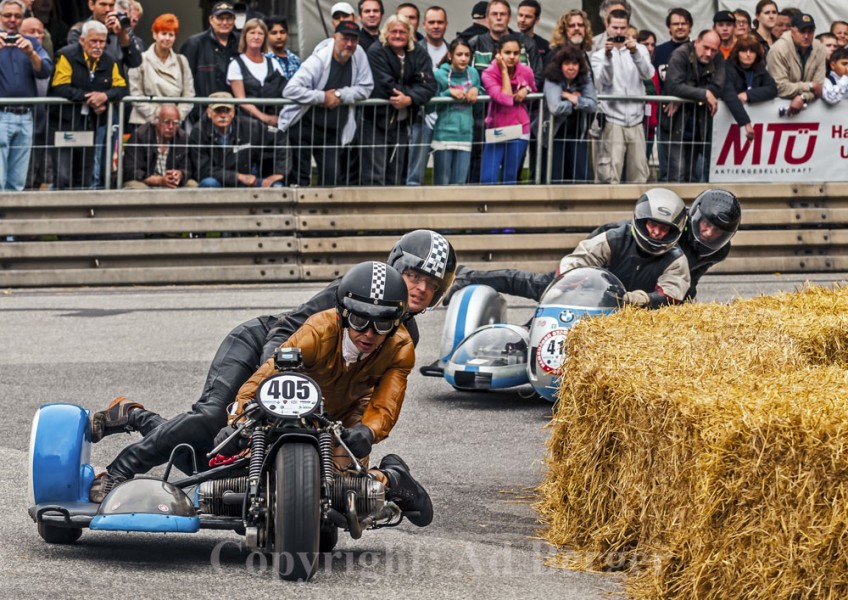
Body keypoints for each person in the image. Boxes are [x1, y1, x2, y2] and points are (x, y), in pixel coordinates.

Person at [87, 230, 457, 519]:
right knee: (212, 418)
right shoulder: (353, 292)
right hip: (263, 347)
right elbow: (284, 329)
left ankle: (134, 414)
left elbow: (378, 398)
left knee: (219, 468)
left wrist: (363, 432)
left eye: (432, 284)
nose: (421, 289)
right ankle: (119, 472)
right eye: (413, 275)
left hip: (306, 380)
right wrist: (274, 390)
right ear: (397, 266)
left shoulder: (406, 338)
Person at [444, 188, 690, 309]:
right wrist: (571, 285)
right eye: (651, 225)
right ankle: (465, 276)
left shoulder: (675, 259)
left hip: (629, 309)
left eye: (664, 228)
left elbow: (671, 297)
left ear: (675, 230)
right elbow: (576, 261)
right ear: (640, 220)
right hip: (586, 294)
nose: (656, 233)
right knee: (530, 284)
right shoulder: (614, 238)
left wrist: (630, 299)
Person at [280, 20, 373, 187]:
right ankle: (300, 212)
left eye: (354, 39)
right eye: (345, 38)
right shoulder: (318, 60)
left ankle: (325, 212)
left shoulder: (359, 54)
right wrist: (322, 97)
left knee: (332, 178)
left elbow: (366, 87)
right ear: (335, 37)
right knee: (299, 177)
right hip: (304, 125)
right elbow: (290, 89)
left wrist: (340, 94)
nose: (350, 44)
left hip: (333, 129)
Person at [50, 19, 128, 190]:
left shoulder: (110, 60)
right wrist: (90, 98)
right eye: (94, 41)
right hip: (65, 123)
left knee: (85, 175)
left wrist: (105, 96)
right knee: (63, 175)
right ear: (82, 40)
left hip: (91, 124)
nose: (98, 46)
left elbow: (122, 88)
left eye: (102, 41)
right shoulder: (66, 55)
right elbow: (59, 86)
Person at [359, 14, 435, 186]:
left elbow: (429, 85)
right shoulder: (376, 51)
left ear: (410, 33)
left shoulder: (418, 52)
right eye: (394, 31)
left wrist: (410, 99)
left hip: (402, 122)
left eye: (402, 31)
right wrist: (414, 92)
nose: (398, 35)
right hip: (375, 121)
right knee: (374, 175)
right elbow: (386, 86)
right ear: (386, 33)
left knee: (395, 174)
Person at [591, 8, 654, 184]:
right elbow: (604, 80)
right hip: (612, 119)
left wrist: (635, 54)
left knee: (640, 173)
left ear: (628, 27)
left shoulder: (640, 49)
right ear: (606, 25)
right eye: (615, 27)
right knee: (610, 173)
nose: (619, 32)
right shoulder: (598, 55)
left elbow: (648, 74)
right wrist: (608, 57)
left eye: (622, 28)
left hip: (636, 118)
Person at [0, 0, 52, 192]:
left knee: (17, 181)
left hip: (25, 116)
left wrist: (31, 54)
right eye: (7, 16)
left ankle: (11, 221)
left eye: (17, 16)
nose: (12, 20)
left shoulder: (30, 43)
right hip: (1, 114)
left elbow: (45, 71)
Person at [663, 30, 725, 183]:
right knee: (677, 173)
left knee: (694, 176)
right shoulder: (680, 54)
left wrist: (687, 94)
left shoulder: (718, 57)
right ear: (696, 42)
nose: (709, 53)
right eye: (705, 47)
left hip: (699, 124)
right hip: (676, 123)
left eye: (713, 50)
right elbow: (673, 86)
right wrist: (704, 94)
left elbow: (718, 87)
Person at [187, 91, 284, 188]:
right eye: (218, 110)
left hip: (247, 180)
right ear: (209, 113)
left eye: (227, 110)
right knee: (209, 183)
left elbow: (279, 136)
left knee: (277, 186)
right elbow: (203, 169)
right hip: (216, 179)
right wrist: (238, 176)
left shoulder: (250, 126)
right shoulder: (198, 131)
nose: (223, 115)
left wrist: (279, 173)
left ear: (233, 112)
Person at [479, 33, 536, 184]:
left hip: (520, 127)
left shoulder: (526, 71)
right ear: (499, 53)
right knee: (488, 177)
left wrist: (527, 89)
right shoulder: (488, 73)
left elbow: (535, 92)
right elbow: (505, 98)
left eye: (516, 53)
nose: (512, 57)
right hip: (497, 127)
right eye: (507, 52)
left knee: (509, 177)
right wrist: (504, 71)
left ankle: (507, 208)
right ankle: (487, 206)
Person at [405, 4, 448, 186]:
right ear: (424, 25)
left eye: (440, 22)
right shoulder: (412, 50)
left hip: (447, 119)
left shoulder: (455, 50)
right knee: (415, 172)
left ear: (446, 24)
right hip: (420, 118)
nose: (436, 26)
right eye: (432, 22)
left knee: (445, 175)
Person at [127, 13, 194, 127]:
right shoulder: (140, 60)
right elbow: (136, 95)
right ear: (155, 35)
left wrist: (175, 117)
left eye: (171, 34)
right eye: (163, 34)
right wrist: (159, 118)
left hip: (173, 125)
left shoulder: (182, 61)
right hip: (145, 123)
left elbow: (189, 95)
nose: (167, 38)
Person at [543, 44, 596, 183]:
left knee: (580, 176)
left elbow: (593, 105)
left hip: (578, 132)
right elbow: (554, 107)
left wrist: (571, 97)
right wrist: (577, 103)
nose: (571, 67)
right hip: (554, 133)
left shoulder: (585, 77)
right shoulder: (552, 78)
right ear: (560, 65)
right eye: (567, 64)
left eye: (575, 63)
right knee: (555, 176)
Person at [180, 1, 239, 123]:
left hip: (234, 115)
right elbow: (184, 80)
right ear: (211, 20)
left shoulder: (241, 42)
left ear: (234, 20)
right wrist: (194, 110)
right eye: (220, 18)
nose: (224, 22)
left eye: (229, 18)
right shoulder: (194, 43)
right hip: (201, 115)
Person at [431, 37, 479, 185]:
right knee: (442, 183)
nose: (463, 59)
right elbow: (428, 106)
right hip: (444, 135)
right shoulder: (439, 75)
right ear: (450, 55)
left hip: (465, 135)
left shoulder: (474, 73)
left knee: (460, 183)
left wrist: (477, 91)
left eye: (467, 55)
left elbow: (481, 103)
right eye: (459, 54)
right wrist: (447, 94)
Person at [226, 17, 286, 127]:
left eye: (260, 33)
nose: (256, 37)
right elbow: (241, 100)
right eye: (252, 32)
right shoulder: (236, 64)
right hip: (246, 125)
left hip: (275, 123)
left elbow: (282, 91)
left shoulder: (274, 62)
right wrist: (264, 117)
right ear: (244, 36)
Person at [766, 12, 825, 117]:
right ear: (792, 31)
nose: (806, 36)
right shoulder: (778, 50)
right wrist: (810, 86)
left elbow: (819, 87)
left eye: (810, 32)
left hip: (806, 112)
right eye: (802, 32)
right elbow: (780, 88)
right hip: (776, 113)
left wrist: (803, 97)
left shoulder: (819, 48)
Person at [123, 103, 193, 188]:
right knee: (138, 187)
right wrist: (158, 180)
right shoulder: (140, 135)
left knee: (192, 184)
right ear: (156, 121)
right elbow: (130, 170)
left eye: (175, 123)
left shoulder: (183, 138)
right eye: (167, 122)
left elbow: (188, 168)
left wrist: (180, 174)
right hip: (145, 181)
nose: (171, 127)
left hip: (173, 183)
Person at [722, 34, 777, 140]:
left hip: (756, 123)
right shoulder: (727, 67)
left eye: (752, 51)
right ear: (737, 53)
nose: (748, 55)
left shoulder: (759, 68)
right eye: (744, 51)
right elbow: (729, 93)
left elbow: (772, 89)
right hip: (729, 125)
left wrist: (748, 95)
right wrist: (746, 123)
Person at [265, 15, 300, 81]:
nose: (279, 36)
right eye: (274, 33)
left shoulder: (295, 60)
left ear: (287, 34)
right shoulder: (264, 59)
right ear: (267, 35)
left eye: (282, 32)